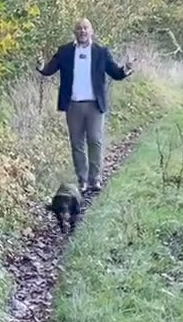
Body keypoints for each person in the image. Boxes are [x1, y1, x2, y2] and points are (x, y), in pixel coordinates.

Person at [38, 18, 133, 195]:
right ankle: (82, 179)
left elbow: (115, 73)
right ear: (75, 32)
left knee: (95, 140)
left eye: (86, 28)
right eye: (79, 28)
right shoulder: (65, 51)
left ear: (91, 31)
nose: (82, 31)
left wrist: (125, 69)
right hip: (73, 104)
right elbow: (50, 69)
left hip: (94, 105)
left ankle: (94, 179)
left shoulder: (101, 52)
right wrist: (41, 66)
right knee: (77, 143)